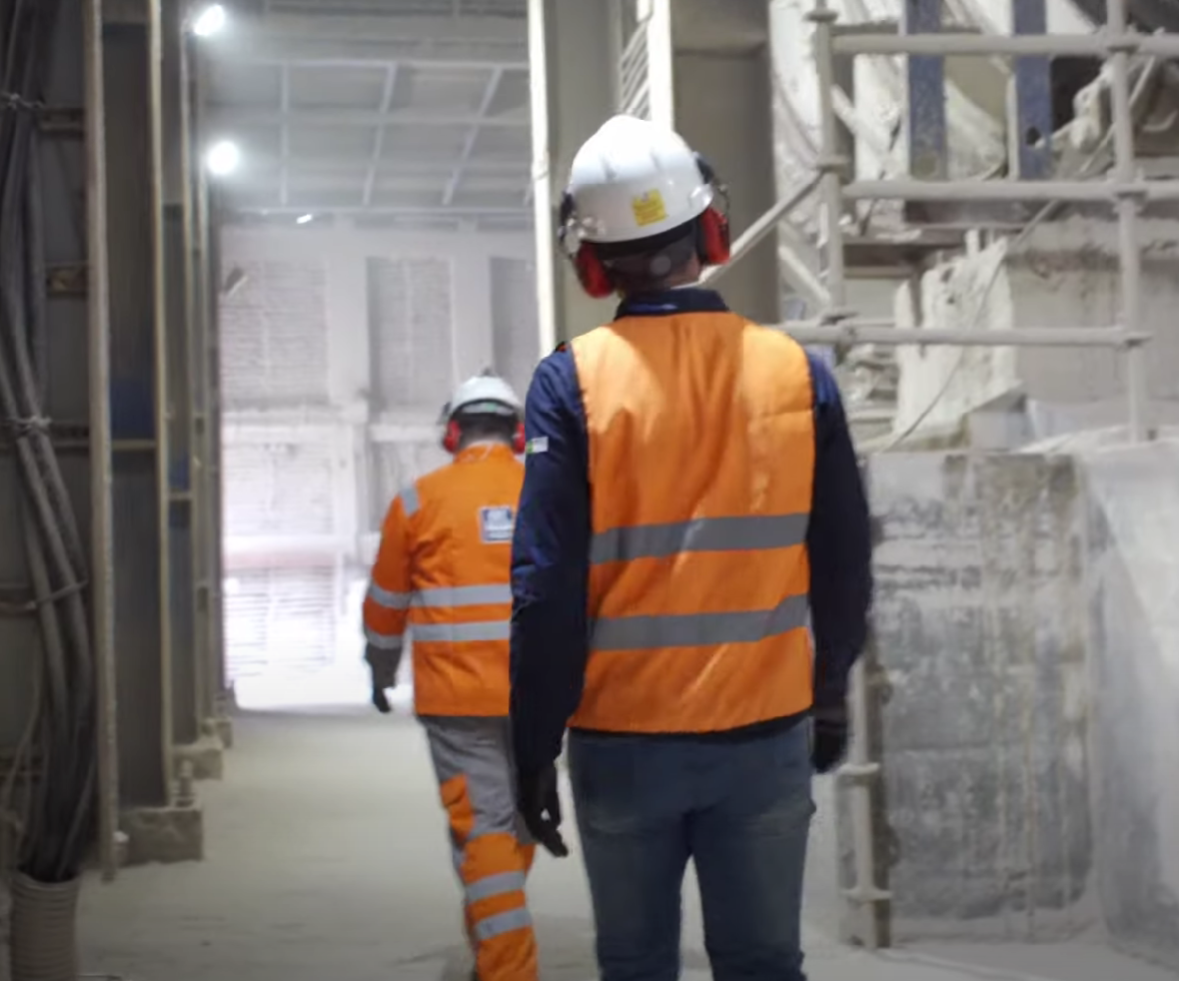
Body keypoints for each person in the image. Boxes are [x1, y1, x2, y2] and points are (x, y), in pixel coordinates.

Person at [507, 114, 874, 981]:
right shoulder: (795, 371)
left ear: (590, 261)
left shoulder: (571, 381)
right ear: (711, 230)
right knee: (761, 962)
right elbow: (845, 560)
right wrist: (828, 696)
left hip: (621, 740)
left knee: (634, 964)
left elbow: (544, 586)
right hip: (765, 734)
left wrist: (531, 745)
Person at [362, 368, 562, 981]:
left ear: (453, 433)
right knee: (514, 819)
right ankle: (492, 945)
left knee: (484, 830)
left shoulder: (419, 501)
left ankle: (507, 967)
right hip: (537, 696)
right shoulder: (547, 493)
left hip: (458, 701)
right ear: (519, 432)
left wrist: (380, 668)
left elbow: (386, 602)